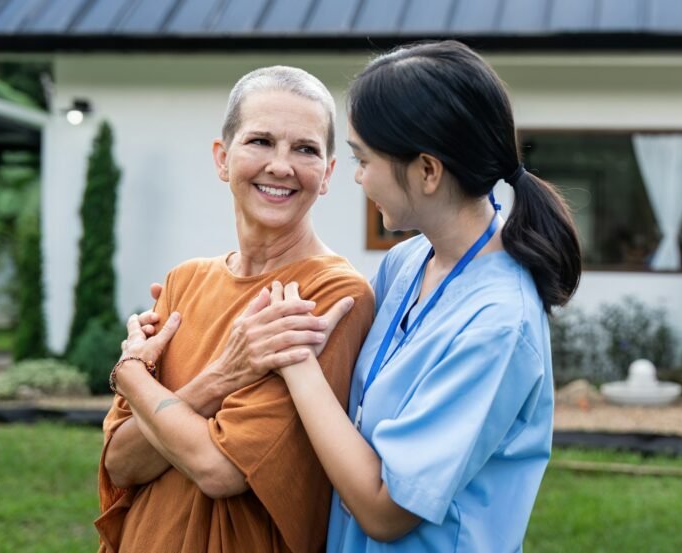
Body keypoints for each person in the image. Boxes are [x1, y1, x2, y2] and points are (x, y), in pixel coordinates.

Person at [250, 40, 582, 551]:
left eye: (364, 159)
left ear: (428, 171)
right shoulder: (408, 262)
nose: (358, 178)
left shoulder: (498, 325)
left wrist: (295, 362)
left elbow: (386, 512)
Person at [94, 66, 374, 552]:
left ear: (327, 174)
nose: (281, 166)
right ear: (222, 158)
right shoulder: (184, 283)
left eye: (305, 149)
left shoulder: (328, 294)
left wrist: (132, 375)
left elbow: (219, 469)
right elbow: (121, 461)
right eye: (260, 141)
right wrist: (221, 377)